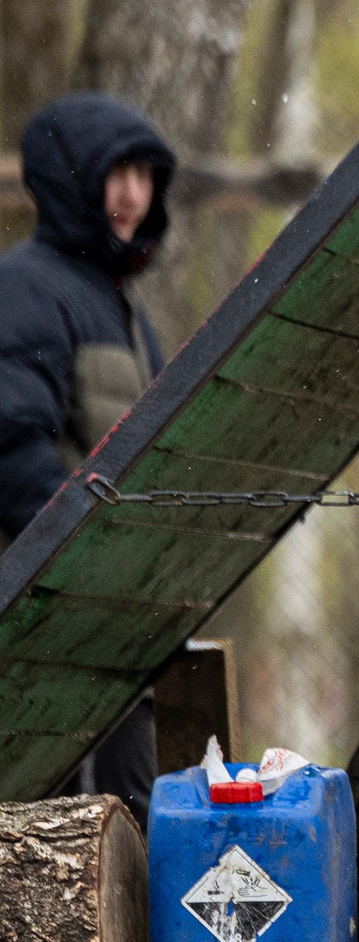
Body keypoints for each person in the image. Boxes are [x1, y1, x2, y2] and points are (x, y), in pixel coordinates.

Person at [0, 93, 178, 817]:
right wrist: (87, 566)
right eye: (116, 173)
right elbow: (13, 454)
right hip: (45, 642)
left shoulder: (124, 310)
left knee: (129, 834)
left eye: (145, 174)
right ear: (71, 178)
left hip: (112, 637)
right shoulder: (25, 290)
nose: (134, 193)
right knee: (68, 844)